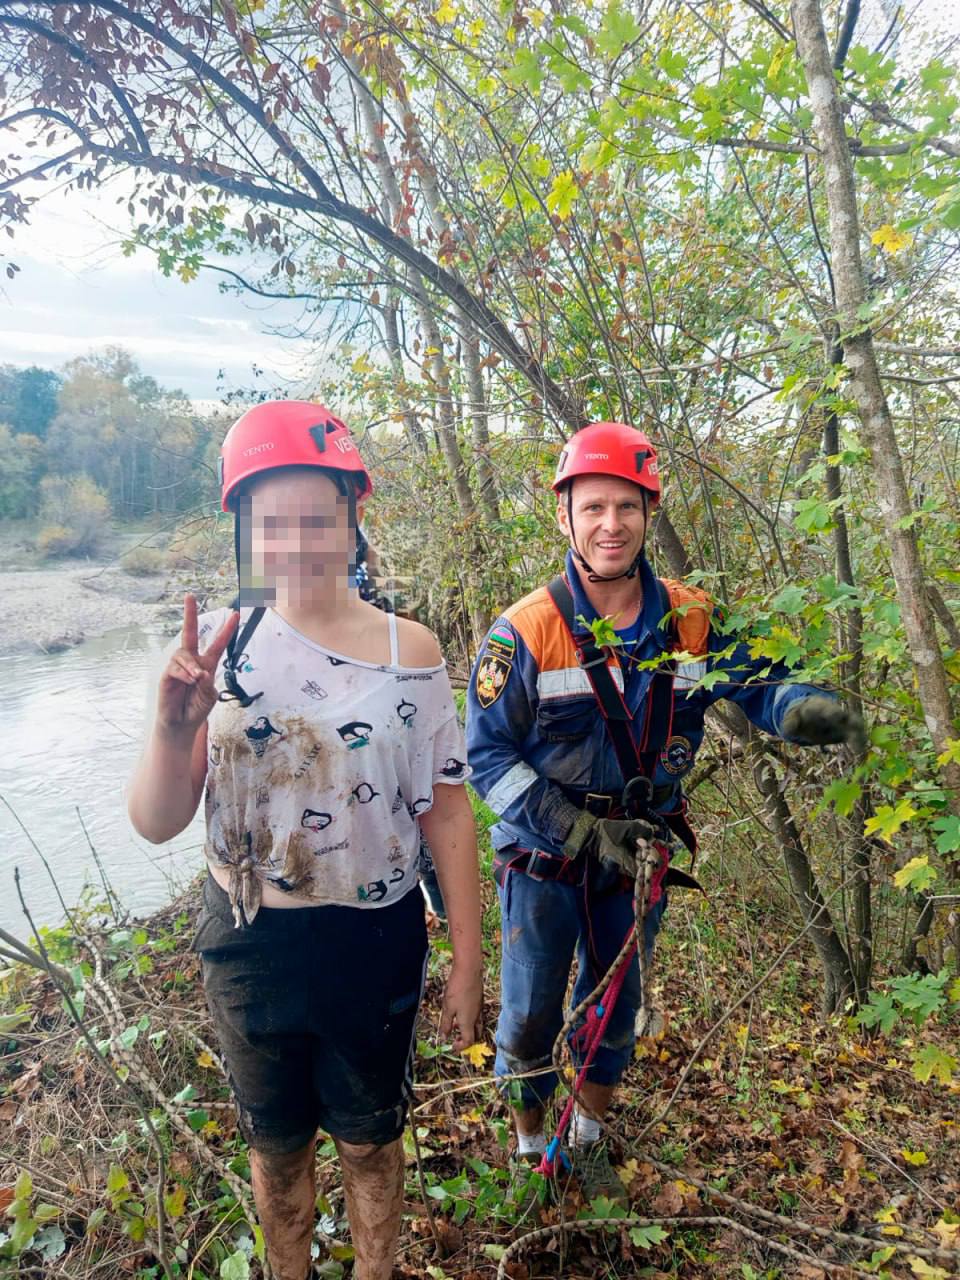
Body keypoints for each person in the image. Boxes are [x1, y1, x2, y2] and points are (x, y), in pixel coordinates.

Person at [128, 400, 483, 1280]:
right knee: (278, 1151)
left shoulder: (412, 651)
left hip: (374, 939)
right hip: (251, 943)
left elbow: (445, 808)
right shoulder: (221, 656)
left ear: (352, 516)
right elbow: (157, 821)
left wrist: (472, 954)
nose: (293, 540)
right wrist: (175, 731)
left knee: (369, 1144)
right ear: (245, 529)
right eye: (268, 521)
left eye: (314, 516)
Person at [465, 421, 862, 1206]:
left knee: (613, 1016)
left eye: (627, 507)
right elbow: (486, 761)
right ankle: (529, 1145)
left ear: (649, 514)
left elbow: (760, 684)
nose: (610, 524)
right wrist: (576, 830)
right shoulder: (526, 633)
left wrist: (800, 709)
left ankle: (588, 1139)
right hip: (546, 863)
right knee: (529, 1016)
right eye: (593, 508)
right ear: (565, 518)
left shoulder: (693, 620)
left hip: (639, 859)